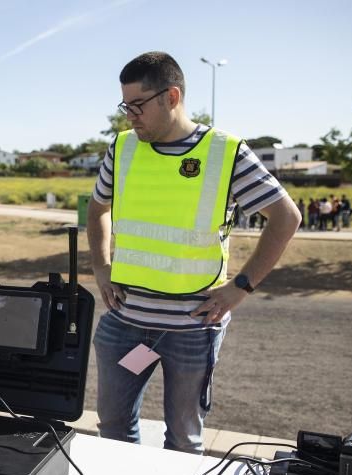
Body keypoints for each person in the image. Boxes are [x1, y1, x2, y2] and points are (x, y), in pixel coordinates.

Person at [86, 51, 299, 453]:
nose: (130, 115)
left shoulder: (226, 152)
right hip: (126, 323)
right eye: (124, 106)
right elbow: (98, 209)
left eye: (138, 105)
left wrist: (241, 287)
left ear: (172, 96)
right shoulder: (122, 148)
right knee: (113, 427)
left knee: (184, 438)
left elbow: (286, 217)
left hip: (193, 328)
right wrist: (101, 266)